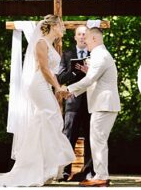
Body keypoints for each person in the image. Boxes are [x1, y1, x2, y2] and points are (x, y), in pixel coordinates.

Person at [0, 15, 75, 187]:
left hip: (45, 86)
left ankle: (43, 167)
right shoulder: (41, 43)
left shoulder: (50, 44)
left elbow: (52, 72)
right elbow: (43, 69)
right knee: (51, 118)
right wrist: (57, 87)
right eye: (61, 25)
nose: (63, 28)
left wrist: (59, 86)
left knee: (46, 122)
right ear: (53, 26)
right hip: (38, 85)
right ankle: (39, 168)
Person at [63, 27, 120, 187]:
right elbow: (93, 78)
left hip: (104, 105)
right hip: (102, 104)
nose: (84, 41)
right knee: (97, 141)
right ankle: (100, 175)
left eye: (86, 38)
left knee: (98, 141)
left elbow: (89, 80)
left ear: (94, 38)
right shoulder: (99, 54)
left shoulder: (100, 55)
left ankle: (101, 177)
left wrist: (68, 90)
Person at [57, 25, 93, 181]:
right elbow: (59, 78)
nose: (82, 36)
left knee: (90, 137)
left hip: (91, 101)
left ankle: (88, 171)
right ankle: (65, 170)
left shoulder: (95, 53)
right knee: (68, 136)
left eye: (85, 34)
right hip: (72, 102)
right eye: (80, 34)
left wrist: (87, 71)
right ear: (75, 37)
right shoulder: (67, 54)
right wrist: (73, 71)